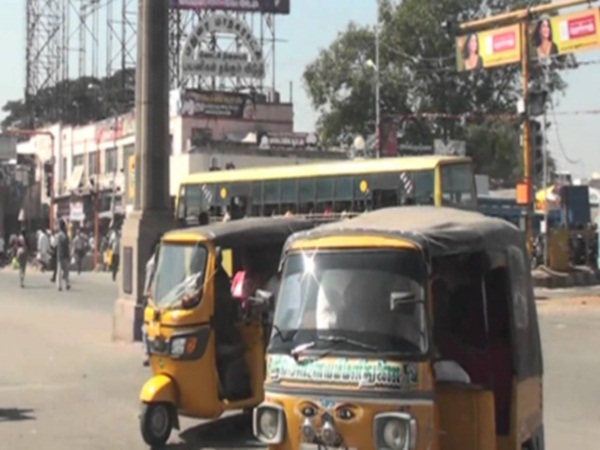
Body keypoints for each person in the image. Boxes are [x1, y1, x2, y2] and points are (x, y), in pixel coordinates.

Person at [56, 220, 71, 291]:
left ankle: (59, 286)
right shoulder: (65, 235)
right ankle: (66, 284)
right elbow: (68, 245)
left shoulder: (59, 235)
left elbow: (54, 244)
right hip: (65, 254)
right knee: (66, 271)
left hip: (60, 255)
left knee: (59, 271)